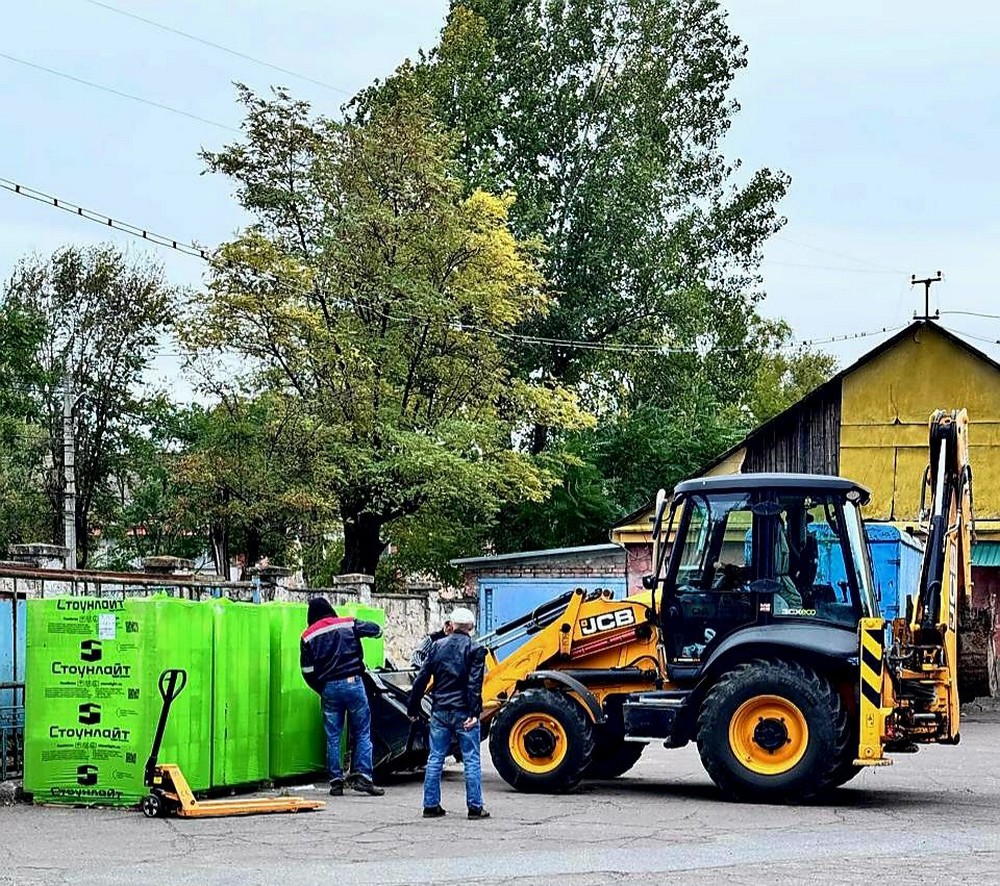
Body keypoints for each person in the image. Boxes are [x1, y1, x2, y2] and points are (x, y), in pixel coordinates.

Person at [407, 606, 489, 820]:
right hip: (464, 712)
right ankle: (475, 807)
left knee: (435, 757)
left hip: (440, 711)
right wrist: (474, 711)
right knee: (471, 758)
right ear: (471, 627)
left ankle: (431, 805)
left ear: (451, 625)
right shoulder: (476, 649)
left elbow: (421, 679)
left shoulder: (436, 647)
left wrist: (413, 708)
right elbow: (474, 684)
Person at [300, 597, 385, 797]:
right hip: (353, 683)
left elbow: (307, 670)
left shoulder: (307, 635)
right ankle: (363, 776)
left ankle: (336, 782)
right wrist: (375, 631)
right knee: (363, 732)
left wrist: (322, 688)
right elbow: (375, 629)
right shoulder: (347, 623)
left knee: (333, 736)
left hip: (329, 688)